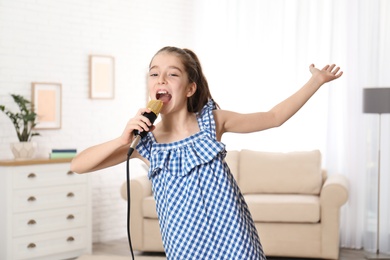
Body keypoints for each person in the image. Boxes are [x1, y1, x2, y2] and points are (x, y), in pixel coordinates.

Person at [71, 46, 343, 259]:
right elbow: (79, 165)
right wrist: (121, 139)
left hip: (234, 239)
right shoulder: (146, 143)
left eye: (172, 74)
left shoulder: (212, 122)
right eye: (154, 74)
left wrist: (315, 82)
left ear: (190, 88)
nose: (161, 79)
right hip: (184, 246)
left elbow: (273, 117)